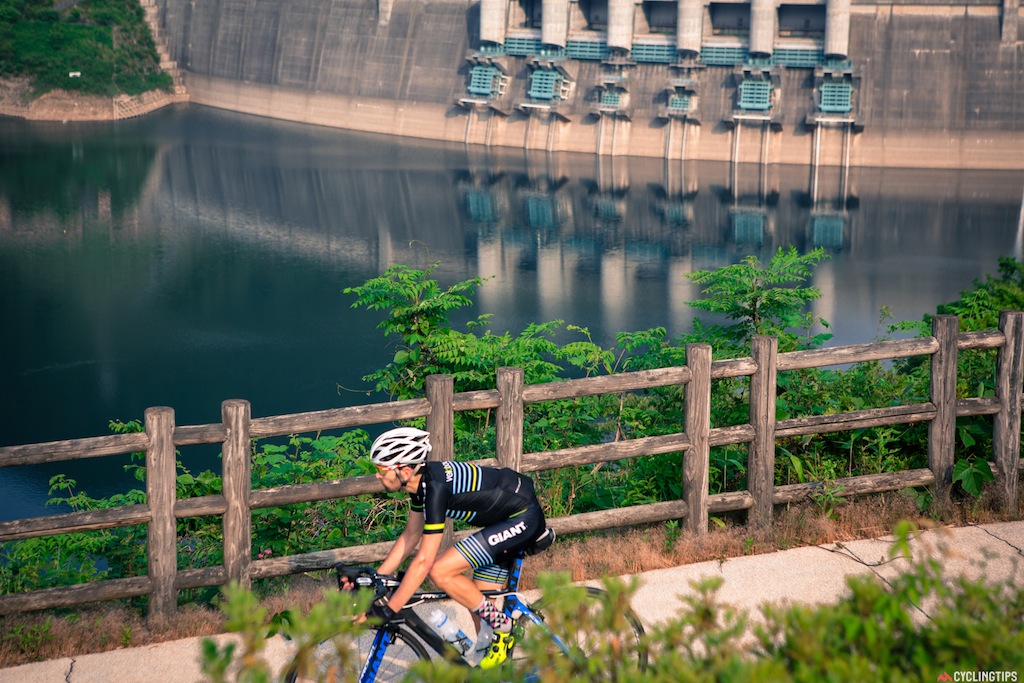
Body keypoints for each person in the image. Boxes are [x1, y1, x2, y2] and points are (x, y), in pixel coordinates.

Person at [349, 426, 552, 669]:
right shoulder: (420, 485)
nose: (377, 476)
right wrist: (378, 577)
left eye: (382, 470)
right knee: (479, 609)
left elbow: (424, 561)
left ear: (404, 470)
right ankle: (496, 668)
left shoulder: (435, 490)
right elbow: (411, 535)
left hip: (521, 517)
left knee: (440, 571)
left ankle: (504, 626)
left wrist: (390, 610)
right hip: (504, 516)